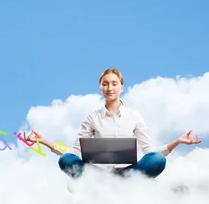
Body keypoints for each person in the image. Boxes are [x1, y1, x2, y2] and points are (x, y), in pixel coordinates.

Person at [25, 68, 202, 179]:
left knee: (157, 159)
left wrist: (177, 142)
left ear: (121, 87)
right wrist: (45, 142)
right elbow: (74, 153)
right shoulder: (92, 118)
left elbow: (150, 152)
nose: (110, 88)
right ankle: (100, 186)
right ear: (100, 88)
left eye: (114, 84)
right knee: (66, 160)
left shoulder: (134, 116)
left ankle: (124, 184)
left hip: (128, 172)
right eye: (105, 84)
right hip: (98, 175)